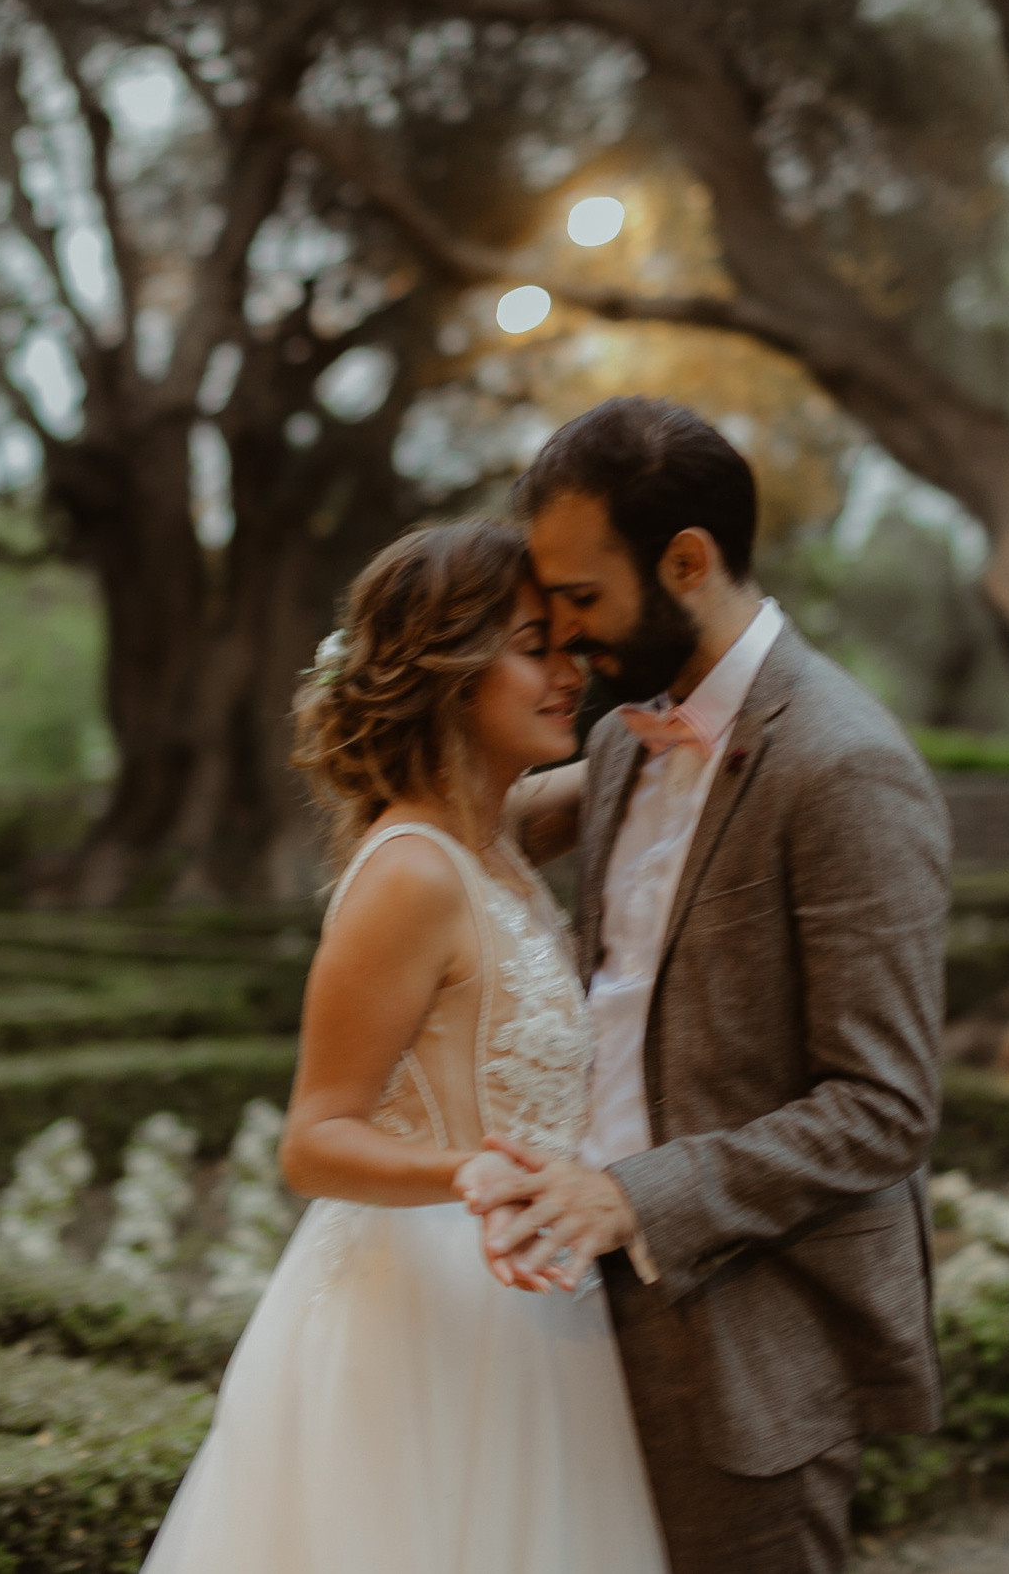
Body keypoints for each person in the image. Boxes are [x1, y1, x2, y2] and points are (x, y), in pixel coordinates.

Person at [472, 396, 951, 1574]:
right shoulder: (629, 739)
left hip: (745, 1326)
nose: (567, 639)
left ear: (685, 562)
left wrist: (638, 1198)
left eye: (581, 600)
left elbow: (883, 1110)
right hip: (576, 1300)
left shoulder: (848, 768)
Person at [139, 520, 669, 1574]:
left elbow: (610, 773)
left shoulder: (494, 836)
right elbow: (313, 1140)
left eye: (570, 646)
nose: (570, 674)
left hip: (527, 1298)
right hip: (422, 1313)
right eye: (535, 646)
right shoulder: (411, 875)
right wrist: (463, 1171)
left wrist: (693, 730)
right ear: (450, 672)